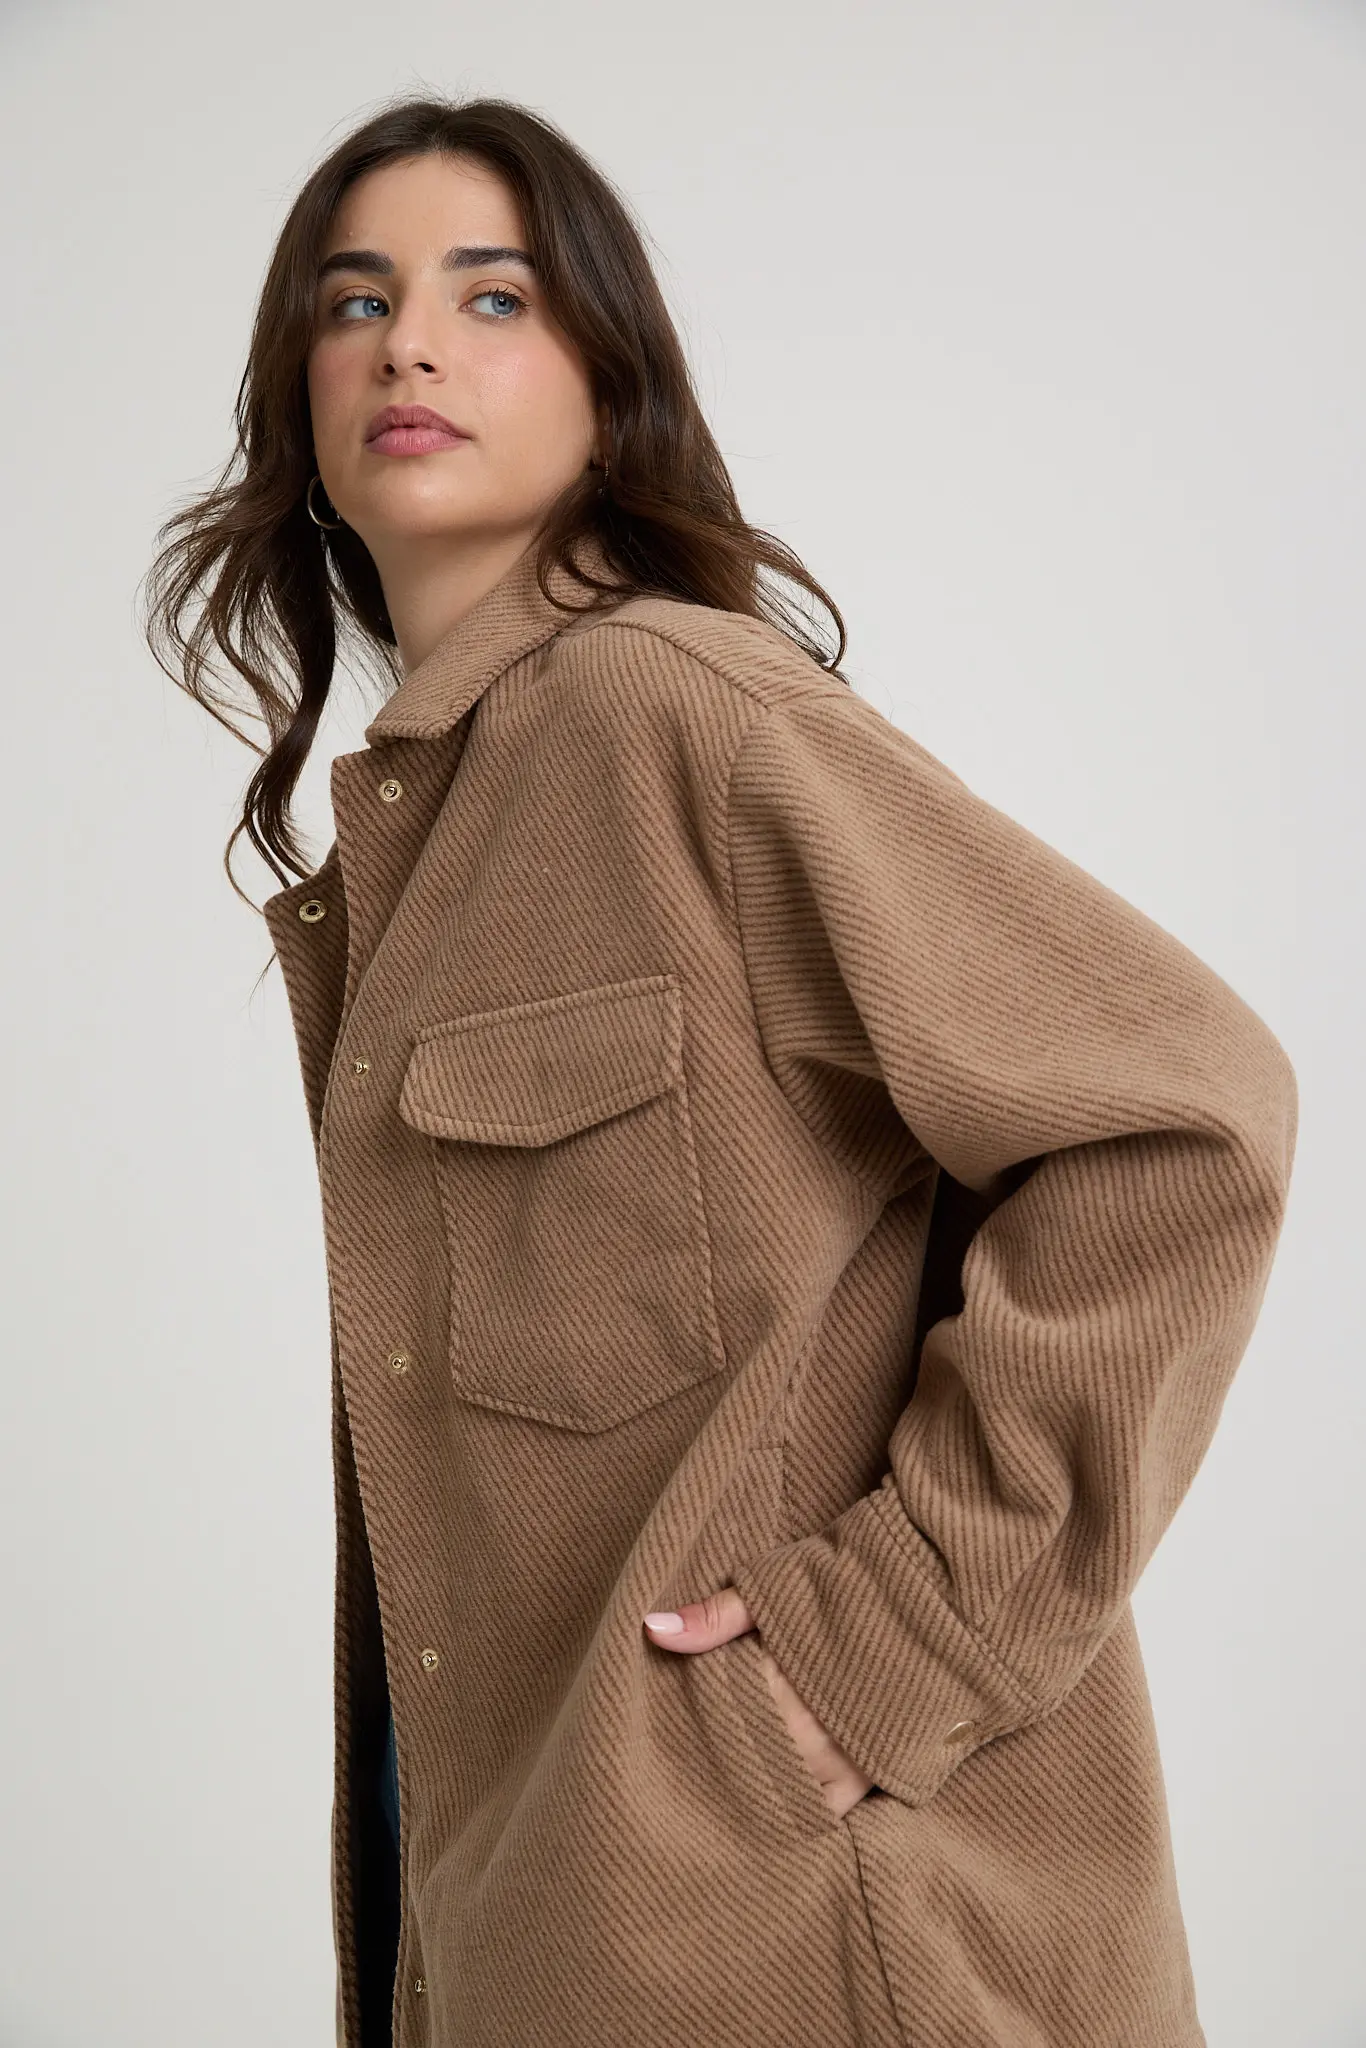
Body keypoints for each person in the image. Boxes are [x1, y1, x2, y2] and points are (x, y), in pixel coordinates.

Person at [142, 92, 1298, 2048]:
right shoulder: (429, 840)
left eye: (490, 296)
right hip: (521, 1946)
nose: (407, 345)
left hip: (798, 1944)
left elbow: (1183, 1114)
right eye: (354, 300)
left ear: (610, 385)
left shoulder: (678, 718)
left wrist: (892, 1643)